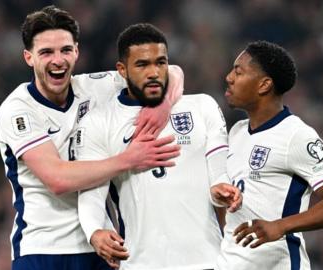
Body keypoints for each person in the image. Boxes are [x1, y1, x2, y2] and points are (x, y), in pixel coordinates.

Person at [0, 5, 184, 270]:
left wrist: (162, 104)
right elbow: (58, 179)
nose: (58, 60)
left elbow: (172, 71)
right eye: (46, 52)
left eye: (65, 50)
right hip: (41, 248)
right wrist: (127, 160)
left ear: (77, 51)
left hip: (99, 242)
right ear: (29, 57)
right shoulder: (18, 108)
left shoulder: (95, 87)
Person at [77, 23, 242, 270]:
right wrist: (95, 231)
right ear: (122, 70)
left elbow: (219, 169)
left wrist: (221, 188)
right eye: (142, 65)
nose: (153, 72)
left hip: (207, 261)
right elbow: (91, 191)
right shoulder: (99, 122)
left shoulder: (201, 107)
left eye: (160, 63)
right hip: (141, 263)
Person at [215, 40, 323, 270]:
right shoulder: (236, 132)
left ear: (264, 85)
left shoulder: (296, 136)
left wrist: (279, 226)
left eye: (238, 71)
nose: (229, 77)